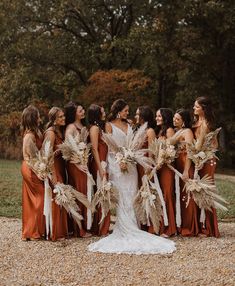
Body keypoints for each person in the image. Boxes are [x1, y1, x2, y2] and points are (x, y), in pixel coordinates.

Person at [88, 99, 176, 254]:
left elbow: (134, 143)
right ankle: (123, 226)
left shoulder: (130, 125)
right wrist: (119, 160)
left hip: (132, 164)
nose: (128, 113)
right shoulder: (109, 125)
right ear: (118, 111)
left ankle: (134, 224)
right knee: (122, 194)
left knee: (132, 193)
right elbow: (110, 147)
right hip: (116, 164)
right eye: (126, 110)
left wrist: (130, 157)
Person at [193, 97, 220, 237]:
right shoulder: (196, 122)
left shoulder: (207, 124)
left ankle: (209, 228)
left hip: (207, 160)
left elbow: (214, 145)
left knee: (206, 191)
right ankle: (200, 224)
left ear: (203, 108)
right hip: (199, 159)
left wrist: (204, 153)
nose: (194, 108)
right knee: (198, 190)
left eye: (196, 106)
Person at [65, 102, 91, 238]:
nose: (83, 111)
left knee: (84, 193)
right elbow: (67, 150)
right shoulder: (71, 127)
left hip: (84, 163)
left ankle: (85, 225)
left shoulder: (83, 126)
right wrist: (77, 164)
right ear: (74, 113)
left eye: (83, 109)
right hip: (75, 166)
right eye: (80, 110)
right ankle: (78, 229)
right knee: (79, 194)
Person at [173, 109, 199, 236]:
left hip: (185, 165)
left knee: (187, 196)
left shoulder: (187, 132)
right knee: (181, 195)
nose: (174, 120)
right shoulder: (179, 131)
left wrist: (186, 170)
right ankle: (182, 224)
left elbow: (190, 152)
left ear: (184, 121)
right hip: (178, 165)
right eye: (174, 118)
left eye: (177, 119)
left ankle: (190, 227)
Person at [43, 107, 68, 241]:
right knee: (56, 196)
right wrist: (53, 175)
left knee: (61, 196)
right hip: (54, 168)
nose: (63, 118)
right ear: (53, 120)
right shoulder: (51, 133)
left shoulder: (59, 131)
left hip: (60, 166)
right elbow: (47, 155)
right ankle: (55, 232)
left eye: (63, 116)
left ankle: (61, 230)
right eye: (60, 117)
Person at [21, 105, 45, 241]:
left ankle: (31, 232)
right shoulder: (29, 136)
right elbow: (29, 158)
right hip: (30, 168)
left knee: (34, 200)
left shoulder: (36, 132)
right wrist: (39, 171)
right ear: (33, 118)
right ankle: (33, 232)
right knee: (39, 198)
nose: (40, 118)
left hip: (35, 166)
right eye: (38, 116)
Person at [88, 104, 110, 236]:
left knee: (105, 192)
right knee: (101, 192)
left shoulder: (101, 127)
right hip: (99, 163)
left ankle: (104, 226)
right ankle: (101, 227)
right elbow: (94, 149)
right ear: (97, 114)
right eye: (102, 111)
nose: (105, 113)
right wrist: (100, 168)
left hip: (104, 161)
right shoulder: (94, 129)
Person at [156, 108, 177, 237]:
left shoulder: (169, 131)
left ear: (165, 117)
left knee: (167, 194)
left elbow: (171, 151)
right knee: (162, 194)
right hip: (160, 168)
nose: (156, 118)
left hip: (167, 168)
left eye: (159, 116)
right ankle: (163, 225)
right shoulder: (161, 131)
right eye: (156, 116)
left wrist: (162, 160)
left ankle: (170, 228)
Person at [135, 106, 156, 233]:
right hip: (137, 165)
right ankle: (142, 221)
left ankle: (151, 224)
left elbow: (152, 151)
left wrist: (149, 166)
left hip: (145, 166)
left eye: (138, 114)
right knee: (140, 193)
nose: (136, 116)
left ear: (143, 116)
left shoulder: (150, 131)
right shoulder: (138, 130)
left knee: (148, 192)